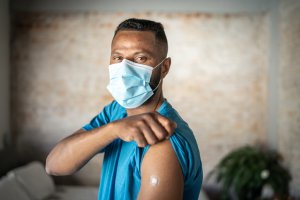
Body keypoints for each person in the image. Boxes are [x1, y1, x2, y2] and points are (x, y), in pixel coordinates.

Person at [46, 18, 202, 200]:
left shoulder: (162, 141)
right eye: (118, 57)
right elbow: (54, 165)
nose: (125, 68)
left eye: (140, 58)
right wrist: (114, 129)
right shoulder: (116, 112)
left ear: (164, 68)